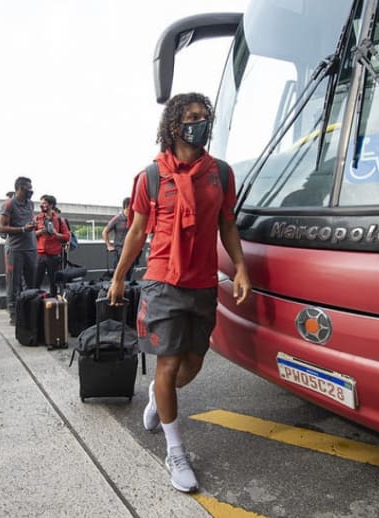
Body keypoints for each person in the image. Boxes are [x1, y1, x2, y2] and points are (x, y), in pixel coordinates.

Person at [107, 93, 250, 493]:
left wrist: (240, 268)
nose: (200, 123)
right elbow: (136, 232)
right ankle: (176, 451)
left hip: (203, 281)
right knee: (168, 365)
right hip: (162, 281)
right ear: (174, 125)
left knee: (193, 363)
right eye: (191, 117)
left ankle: (157, 395)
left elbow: (227, 225)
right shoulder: (151, 177)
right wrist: (120, 276)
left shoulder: (219, 173)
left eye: (205, 117)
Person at [0, 177, 37, 324]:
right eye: (28, 188)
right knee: (13, 283)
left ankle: (31, 311)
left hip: (31, 249)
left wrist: (32, 226)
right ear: (19, 188)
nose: (31, 191)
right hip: (15, 250)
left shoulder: (31, 204)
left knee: (31, 283)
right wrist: (22, 229)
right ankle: (14, 314)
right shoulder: (8, 205)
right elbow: (0, 228)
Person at [34, 195, 70, 297]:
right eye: (41, 204)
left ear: (51, 205)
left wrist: (55, 233)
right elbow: (30, 235)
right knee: (36, 281)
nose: (42, 206)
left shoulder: (59, 220)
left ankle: (53, 305)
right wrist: (40, 231)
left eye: (44, 203)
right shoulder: (37, 218)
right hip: (39, 255)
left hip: (53, 256)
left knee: (54, 283)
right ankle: (35, 303)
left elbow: (67, 236)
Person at [102, 197, 136, 281]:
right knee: (118, 276)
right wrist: (108, 245)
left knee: (129, 277)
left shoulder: (134, 218)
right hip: (119, 252)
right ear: (126, 206)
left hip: (130, 252)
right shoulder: (117, 218)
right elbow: (104, 232)